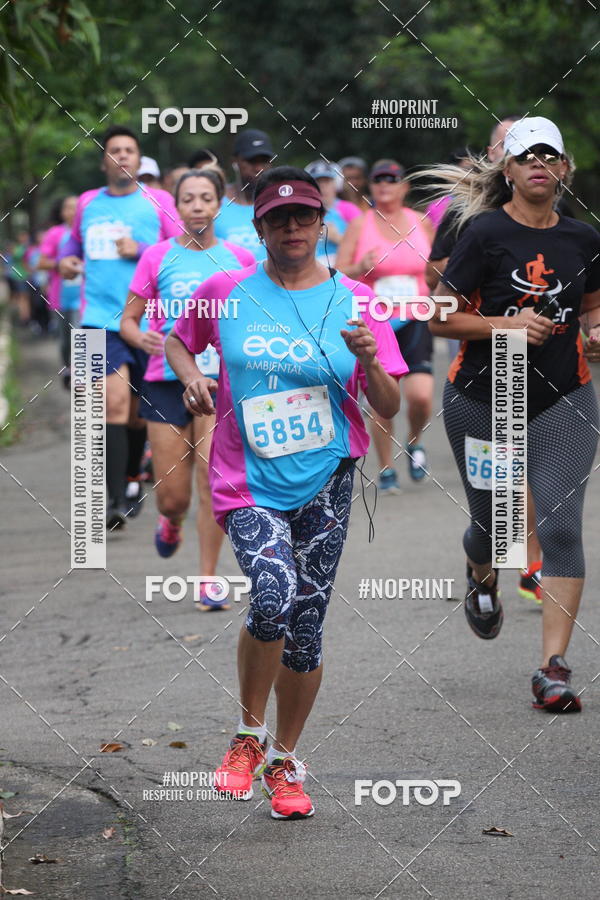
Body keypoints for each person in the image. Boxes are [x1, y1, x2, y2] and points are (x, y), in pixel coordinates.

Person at [165, 165, 406, 818]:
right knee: (273, 592)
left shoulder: (355, 299)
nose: (292, 228)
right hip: (248, 478)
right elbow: (178, 341)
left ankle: (285, 760)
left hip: (327, 478)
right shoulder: (226, 289)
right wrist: (191, 379)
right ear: (260, 227)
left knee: (306, 630)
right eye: (278, 219)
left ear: (321, 223)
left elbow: (387, 404)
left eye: (303, 216)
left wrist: (373, 361)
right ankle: (247, 734)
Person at [428, 116, 600, 712]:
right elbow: (439, 318)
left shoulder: (583, 239)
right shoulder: (481, 234)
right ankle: (481, 573)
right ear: (509, 170)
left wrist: (596, 332)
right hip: (485, 397)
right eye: (527, 157)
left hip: (565, 400)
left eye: (550, 156)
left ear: (563, 169)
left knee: (558, 529)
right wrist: (506, 324)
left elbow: (594, 308)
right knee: (496, 530)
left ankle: (552, 667)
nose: (538, 165)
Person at [120, 166, 254, 609]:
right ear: (175, 207)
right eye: (187, 199)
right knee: (173, 495)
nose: (196, 206)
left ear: (220, 204)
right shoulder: (156, 257)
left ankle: (207, 580)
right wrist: (140, 338)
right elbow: (128, 320)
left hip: (220, 383)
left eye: (205, 198)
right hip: (164, 381)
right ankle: (170, 520)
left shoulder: (240, 260)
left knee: (210, 478)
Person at [59, 125, 181, 529]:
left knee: (136, 415)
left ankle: (131, 480)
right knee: (106, 405)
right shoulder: (88, 203)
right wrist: (67, 262)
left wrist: (142, 250)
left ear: (138, 158)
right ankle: (111, 502)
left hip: (149, 321)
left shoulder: (158, 201)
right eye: (115, 150)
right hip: (96, 321)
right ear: (104, 161)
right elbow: (72, 248)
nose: (123, 156)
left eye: (129, 150)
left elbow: (184, 253)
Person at [337, 159, 434, 494]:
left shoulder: (420, 221)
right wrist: (359, 266)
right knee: (382, 395)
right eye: (378, 180)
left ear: (404, 186)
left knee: (420, 396)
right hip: (376, 319)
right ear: (371, 187)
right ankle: (386, 466)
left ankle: (415, 442)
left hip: (416, 315)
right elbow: (338, 272)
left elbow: (438, 268)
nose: (384, 185)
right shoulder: (360, 225)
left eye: (392, 179)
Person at [38, 196, 80, 387]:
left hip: (85, 299)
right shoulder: (55, 234)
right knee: (65, 341)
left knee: (81, 336)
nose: (72, 211)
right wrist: (63, 264)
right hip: (60, 298)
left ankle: (81, 379)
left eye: (76, 207)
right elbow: (41, 262)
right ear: (62, 212)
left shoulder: (90, 232)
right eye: (68, 208)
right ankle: (68, 367)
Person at [214, 129, 273, 261]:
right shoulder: (214, 202)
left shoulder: (279, 203)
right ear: (235, 162)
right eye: (251, 161)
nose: (258, 168)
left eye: (264, 161)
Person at [304, 160, 361, 265]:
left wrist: (337, 238)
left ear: (336, 183)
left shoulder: (349, 209)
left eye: (327, 181)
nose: (322, 187)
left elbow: (365, 244)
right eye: (318, 182)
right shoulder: (303, 213)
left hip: (343, 268)